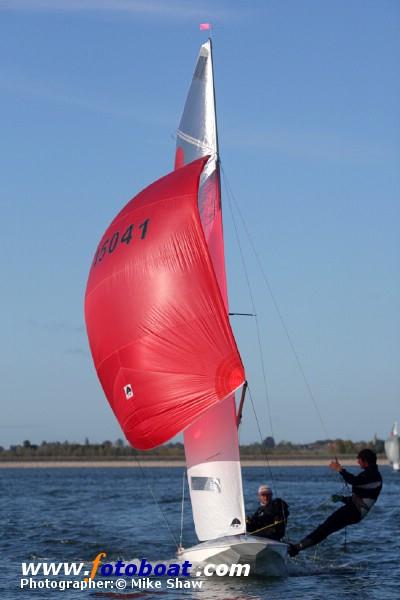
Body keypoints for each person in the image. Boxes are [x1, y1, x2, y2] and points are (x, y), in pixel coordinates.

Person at [288, 448, 382, 557]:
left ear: (365, 461)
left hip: (354, 512)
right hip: (354, 511)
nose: (358, 462)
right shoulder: (369, 474)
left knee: (325, 527)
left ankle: (296, 548)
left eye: (359, 460)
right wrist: (341, 498)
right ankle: (297, 548)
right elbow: (361, 497)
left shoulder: (373, 475)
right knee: (326, 529)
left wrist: (340, 469)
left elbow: (354, 481)